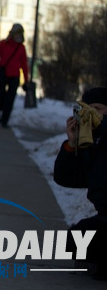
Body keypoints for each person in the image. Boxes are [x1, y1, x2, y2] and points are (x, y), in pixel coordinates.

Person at [53, 87, 107, 278]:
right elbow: (65, 178)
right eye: (87, 110)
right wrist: (72, 144)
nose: (92, 115)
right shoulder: (93, 144)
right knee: (74, 240)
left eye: (98, 109)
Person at [0, 23, 29, 128]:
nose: (18, 36)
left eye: (20, 34)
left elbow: (24, 65)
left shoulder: (21, 48)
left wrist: (26, 80)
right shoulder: (3, 43)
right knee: (0, 95)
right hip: (2, 74)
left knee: (10, 98)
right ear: (12, 34)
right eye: (16, 33)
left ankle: (5, 120)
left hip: (14, 76)